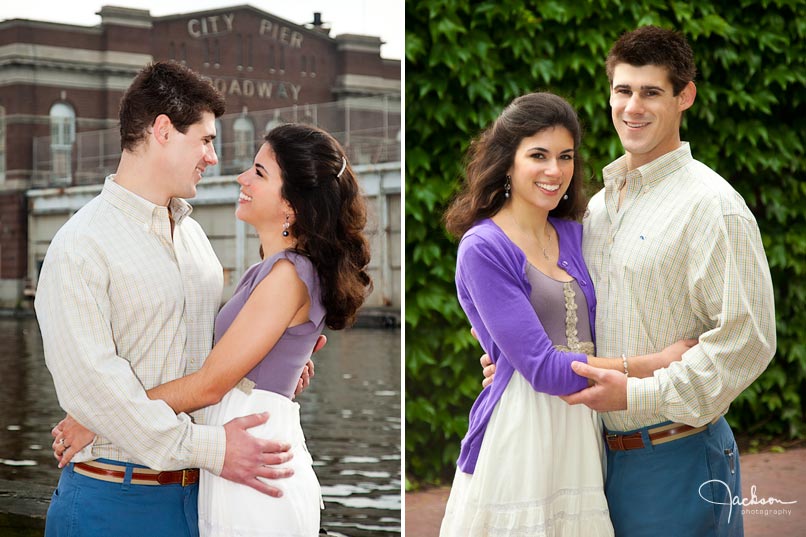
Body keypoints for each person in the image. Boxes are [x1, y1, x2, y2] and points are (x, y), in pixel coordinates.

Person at [484, 27, 776, 536]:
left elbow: (746, 343)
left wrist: (636, 391)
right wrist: (511, 361)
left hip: (677, 454)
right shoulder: (595, 208)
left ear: (685, 96)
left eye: (651, 92)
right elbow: (561, 313)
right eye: (623, 90)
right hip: (595, 459)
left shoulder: (713, 207)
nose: (633, 107)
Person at [36, 61, 314, 537]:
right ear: (162, 130)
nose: (213, 156)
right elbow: (103, 395)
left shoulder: (195, 240)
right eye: (205, 139)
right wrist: (216, 450)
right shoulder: (80, 246)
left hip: (202, 500)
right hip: (116, 502)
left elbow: (206, 363)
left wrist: (267, 367)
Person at [55, 123, 373, 536]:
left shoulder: (287, 276)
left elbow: (208, 384)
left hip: (254, 464)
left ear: (291, 204)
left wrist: (98, 419)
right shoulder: (274, 271)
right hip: (241, 454)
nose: (241, 178)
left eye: (259, 172)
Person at [439, 92, 693, 536]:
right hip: (521, 431)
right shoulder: (484, 248)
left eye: (565, 156)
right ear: (508, 162)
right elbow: (542, 369)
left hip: (582, 426)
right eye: (538, 155)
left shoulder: (575, 233)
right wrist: (655, 364)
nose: (554, 171)